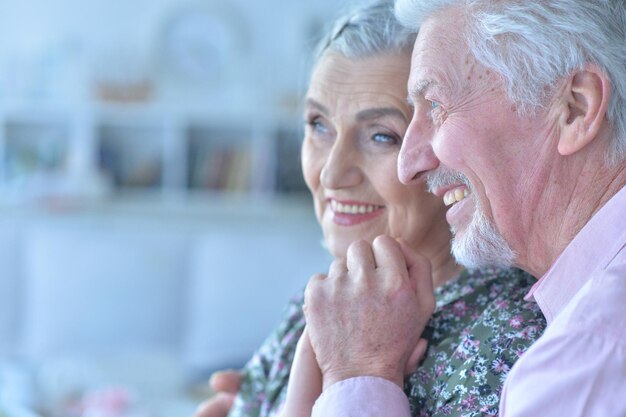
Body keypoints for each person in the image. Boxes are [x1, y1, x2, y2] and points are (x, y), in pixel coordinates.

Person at [193, 1, 545, 417]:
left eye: (381, 136)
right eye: (319, 126)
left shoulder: (511, 342)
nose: (332, 174)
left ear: (446, 150)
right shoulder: (331, 299)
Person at [300, 0, 626, 416]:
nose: (410, 162)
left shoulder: (587, 355)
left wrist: (357, 379)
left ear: (575, 108)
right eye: (317, 126)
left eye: (435, 106)